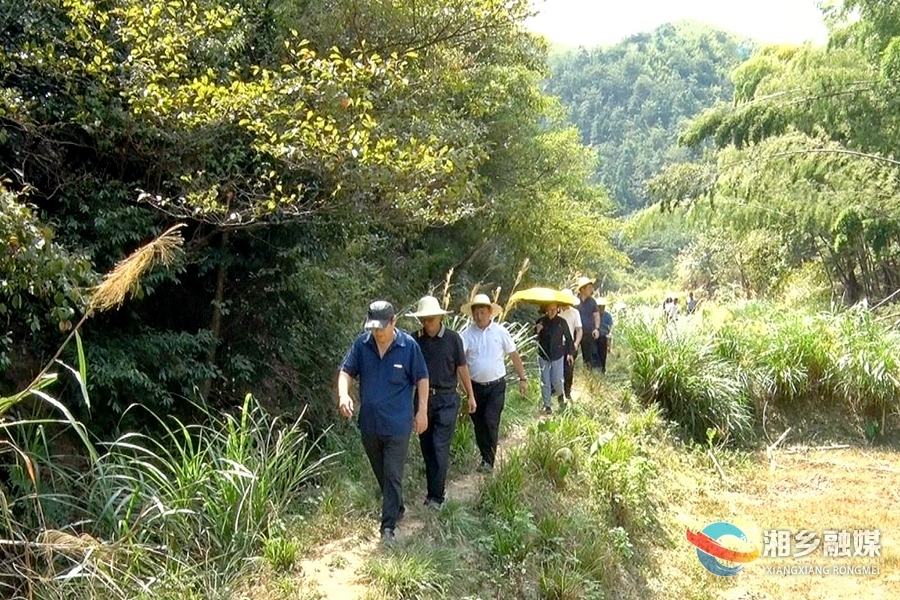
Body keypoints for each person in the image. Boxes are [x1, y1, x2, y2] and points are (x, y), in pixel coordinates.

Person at [338, 301, 429, 543]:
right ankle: (397, 505)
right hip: (369, 424)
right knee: (381, 471)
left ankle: (387, 527)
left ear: (394, 322)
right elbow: (345, 371)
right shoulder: (362, 345)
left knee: (392, 473)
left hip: (398, 425)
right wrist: (343, 394)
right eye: (373, 328)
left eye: (381, 327)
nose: (377, 333)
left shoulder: (408, 346)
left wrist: (422, 411)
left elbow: (422, 378)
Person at [406, 295, 476, 510]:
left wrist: (470, 395)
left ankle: (437, 496)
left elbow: (462, 368)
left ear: (439, 318)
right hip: (423, 400)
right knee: (427, 447)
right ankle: (432, 491)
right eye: (424, 320)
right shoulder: (414, 340)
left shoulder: (453, 339)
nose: (427, 323)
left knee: (439, 446)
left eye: (431, 319)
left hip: (447, 398)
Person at [459, 293, 528, 472]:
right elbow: (459, 362)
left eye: (483, 312)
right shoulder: (466, 335)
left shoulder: (500, 332)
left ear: (490, 312)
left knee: (491, 420)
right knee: (479, 424)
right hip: (474, 388)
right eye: (476, 312)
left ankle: (489, 460)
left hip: (496, 386)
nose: (479, 316)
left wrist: (523, 378)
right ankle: (485, 457)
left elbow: (514, 355)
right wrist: (462, 385)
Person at [535, 302, 574, 414]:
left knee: (557, 380)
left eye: (554, 309)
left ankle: (560, 395)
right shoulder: (541, 321)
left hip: (558, 354)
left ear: (557, 309)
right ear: (546, 309)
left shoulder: (562, 322)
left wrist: (570, 353)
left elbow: (568, 338)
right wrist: (537, 330)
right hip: (543, 355)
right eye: (549, 309)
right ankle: (547, 405)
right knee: (545, 381)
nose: (552, 311)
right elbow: (533, 338)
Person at [558, 289, 582, 403]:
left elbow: (579, 330)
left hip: (569, 343)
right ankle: (557, 392)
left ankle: (567, 392)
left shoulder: (574, 312)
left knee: (568, 369)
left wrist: (576, 343)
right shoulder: (556, 311)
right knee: (556, 369)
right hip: (557, 343)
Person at [575, 276, 601, 370]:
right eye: (589, 288)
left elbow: (596, 315)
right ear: (582, 289)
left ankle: (588, 376)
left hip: (588, 332)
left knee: (588, 356)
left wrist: (596, 329)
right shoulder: (574, 301)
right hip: (575, 332)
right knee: (572, 354)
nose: (592, 290)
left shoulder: (592, 302)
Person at [596, 297, 614, 374]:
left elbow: (610, 328)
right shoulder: (594, 315)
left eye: (602, 306)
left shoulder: (608, 316)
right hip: (595, 337)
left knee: (603, 355)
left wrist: (609, 343)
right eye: (599, 306)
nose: (601, 308)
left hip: (603, 337)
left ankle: (602, 370)